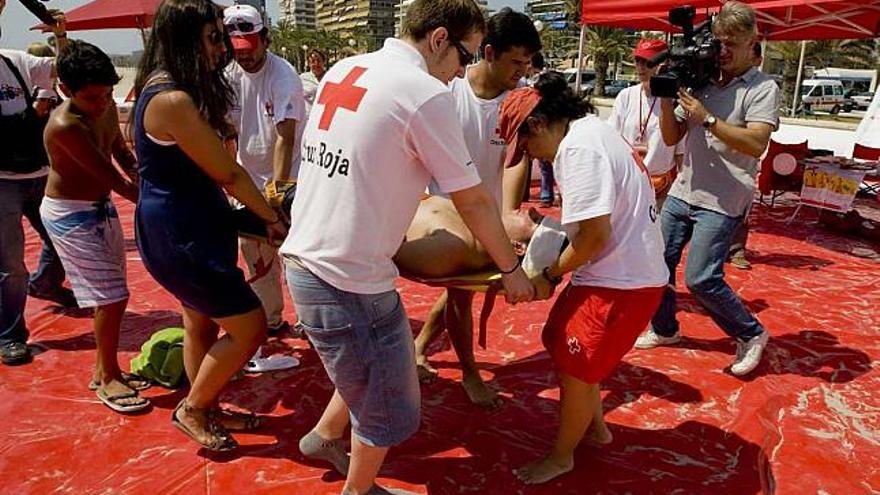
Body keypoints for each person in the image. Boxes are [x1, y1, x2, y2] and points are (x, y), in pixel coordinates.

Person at [280, 0, 535, 492]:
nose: (463, 70)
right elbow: (473, 200)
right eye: (466, 54)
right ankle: (359, 490)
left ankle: (324, 436)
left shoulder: (347, 67)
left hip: (309, 263)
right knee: (390, 402)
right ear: (439, 39)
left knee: (365, 369)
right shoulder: (423, 92)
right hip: (348, 282)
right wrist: (510, 268)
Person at [498, 73, 667, 485]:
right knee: (558, 339)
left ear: (537, 125)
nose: (532, 157)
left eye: (527, 146)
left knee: (575, 368)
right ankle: (596, 427)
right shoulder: (591, 131)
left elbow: (593, 236)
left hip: (621, 282)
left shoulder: (578, 150)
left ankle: (562, 457)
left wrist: (548, 274)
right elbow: (593, 226)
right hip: (616, 273)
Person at [133, 0, 286, 450]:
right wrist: (269, 217)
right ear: (186, 40)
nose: (223, 48)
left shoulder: (170, 88)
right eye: (214, 38)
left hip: (193, 221)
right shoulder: (172, 99)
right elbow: (231, 174)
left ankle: (209, 404)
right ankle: (194, 408)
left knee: (201, 323)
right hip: (183, 233)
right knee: (250, 326)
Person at [636, 1, 778, 377]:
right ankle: (666, 329)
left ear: (753, 42)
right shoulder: (704, 78)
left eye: (732, 42)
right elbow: (671, 135)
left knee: (700, 277)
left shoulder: (762, 87)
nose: (724, 50)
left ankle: (751, 333)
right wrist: (667, 98)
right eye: (720, 41)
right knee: (653, 265)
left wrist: (708, 118)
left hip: (724, 198)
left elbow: (756, 143)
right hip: (684, 190)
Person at [415, 7, 541, 408]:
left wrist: (508, 214)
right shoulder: (447, 89)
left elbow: (518, 159)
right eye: (515, 62)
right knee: (459, 296)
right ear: (488, 52)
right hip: (444, 212)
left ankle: (417, 348)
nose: (522, 70)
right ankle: (469, 371)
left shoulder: (520, 101)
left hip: (488, 216)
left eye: (528, 63)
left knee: (459, 294)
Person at [41, 40, 149, 413]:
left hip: (99, 207)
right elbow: (111, 177)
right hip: (69, 213)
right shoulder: (63, 125)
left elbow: (120, 152)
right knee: (111, 297)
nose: (103, 104)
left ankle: (105, 368)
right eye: (92, 97)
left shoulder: (102, 108)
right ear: (65, 91)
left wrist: (142, 177)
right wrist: (156, 204)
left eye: (107, 94)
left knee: (113, 292)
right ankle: (107, 378)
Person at [224, 3, 305, 347]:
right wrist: (231, 183)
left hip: (289, 181)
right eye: (237, 50)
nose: (245, 56)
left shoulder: (283, 75)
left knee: (295, 256)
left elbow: (285, 137)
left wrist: (276, 197)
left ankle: (308, 321)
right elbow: (228, 133)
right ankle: (271, 321)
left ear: (265, 39)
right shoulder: (228, 76)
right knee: (256, 257)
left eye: (251, 47)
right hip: (248, 180)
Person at [1, 6, 74, 366]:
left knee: (65, 240)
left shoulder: (16, 62)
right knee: (10, 264)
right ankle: (11, 336)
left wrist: (60, 36)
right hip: (2, 182)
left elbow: (66, 70)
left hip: (39, 173)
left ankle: (45, 283)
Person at [607, 38, 684, 210]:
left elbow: (681, 153)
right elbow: (612, 141)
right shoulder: (626, 96)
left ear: (664, 65)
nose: (641, 67)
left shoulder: (675, 101)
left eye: (648, 62)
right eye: (638, 61)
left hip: (661, 188)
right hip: (627, 185)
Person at [394, 196, 545, 280]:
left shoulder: (453, 248)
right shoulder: (476, 218)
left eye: (535, 219)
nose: (531, 210)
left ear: (517, 247)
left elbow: (381, 253)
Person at [727, 40, 765, 271]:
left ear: (758, 59)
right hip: (719, 158)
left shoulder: (762, 89)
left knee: (741, 209)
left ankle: (737, 249)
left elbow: (762, 132)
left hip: (743, 163)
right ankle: (721, 250)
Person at [301, 48, 327, 116]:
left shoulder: (330, 77)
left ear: (324, 62)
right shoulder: (302, 78)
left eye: (319, 61)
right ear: (309, 64)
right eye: (312, 61)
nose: (316, 64)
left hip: (325, 117)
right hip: (308, 119)